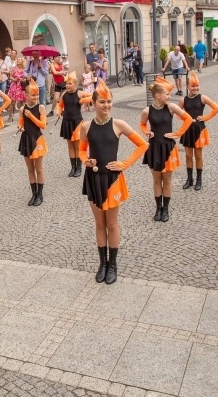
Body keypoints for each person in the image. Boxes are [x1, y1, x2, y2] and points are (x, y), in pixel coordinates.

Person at [80, 79, 148, 284]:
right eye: (102, 102)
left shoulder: (119, 124)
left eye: (109, 101)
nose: (106, 105)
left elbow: (142, 145)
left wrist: (124, 164)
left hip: (112, 179)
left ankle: (113, 264)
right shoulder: (85, 126)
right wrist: (86, 160)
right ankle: (102, 263)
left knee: (112, 223)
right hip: (93, 178)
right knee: (99, 223)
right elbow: (81, 150)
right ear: (93, 104)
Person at [140, 77, 193, 222]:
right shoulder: (147, 111)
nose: (169, 97)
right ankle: (158, 208)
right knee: (156, 180)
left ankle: (166, 209)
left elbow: (188, 119)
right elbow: (142, 125)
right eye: (167, 94)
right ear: (158, 95)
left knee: (168, 180)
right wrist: (146, 132)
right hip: (154, 147)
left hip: (168, 148)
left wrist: (177, 134)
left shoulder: (171, 107)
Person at [179, 73, 218, 191]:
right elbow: (178, 113)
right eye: (192, 86)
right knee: (187, 155)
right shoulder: (183, 100)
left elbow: (216, 108)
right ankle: (189, 179)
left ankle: (199, 179)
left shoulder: (202, 98)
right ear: (187, 87)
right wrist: (186, 119)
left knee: (198, 155)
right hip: (187, 130)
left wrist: (205, 117)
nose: (195, 88)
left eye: (197, 86)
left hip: (199, 129)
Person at [18, 78, 48, 206]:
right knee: (30, 169)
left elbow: (43, 125)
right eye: (33, 95)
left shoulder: (41, 108)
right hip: (26, 139)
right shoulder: (22, 109)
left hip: (37, 139)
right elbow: (20, 122)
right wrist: (20, 127)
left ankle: (40, 194)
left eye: (37, 95)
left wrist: (31, 116)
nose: (36, 97)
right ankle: (34, 193)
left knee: (39, 169)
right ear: (27, 95)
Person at [56, 72, 91, 177]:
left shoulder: (79, 93)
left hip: (77, 122)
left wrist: (83, 101)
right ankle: (73, 168)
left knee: (77, 146)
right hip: (67, 121)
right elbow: (60, 105)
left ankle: (79, 168)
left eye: (70, 83)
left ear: (76, 85)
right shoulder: (64, 94)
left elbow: (93, 95)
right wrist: (58, 112)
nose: (67, 85)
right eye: (67, 83)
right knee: (70, 145)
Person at [7, 56, 27, 122]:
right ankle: (10, 116)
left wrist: (23, 79)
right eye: (17, 59)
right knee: (12, 101)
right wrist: (14, 79)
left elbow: (27, 77)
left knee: (22, 101)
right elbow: (10, 77)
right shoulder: (14, 68)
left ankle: (23, 115)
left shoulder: (24, 69)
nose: (18, 60)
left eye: (19, 59)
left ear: (22, 61)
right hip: (14, 85)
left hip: (21, 86)